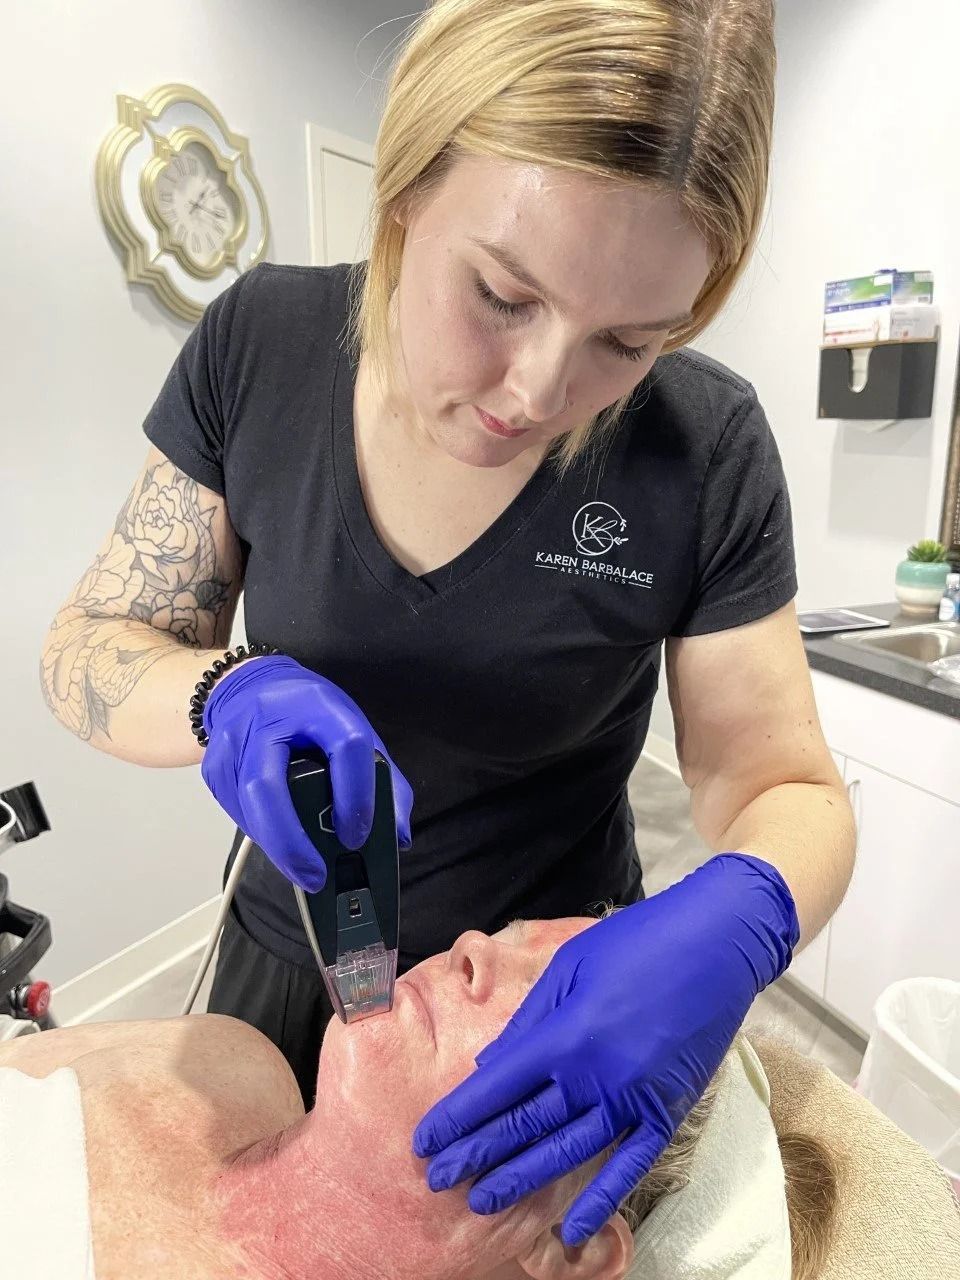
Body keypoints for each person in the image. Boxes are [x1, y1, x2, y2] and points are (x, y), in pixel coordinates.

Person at [40, 0, 856, 1247]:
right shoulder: (259, 346)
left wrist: (745, 913)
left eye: (628, 343)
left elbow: (781, 779)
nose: (539, 394)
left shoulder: (706, 447)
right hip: (299, 948)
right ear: (408, 187)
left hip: (542, 1022)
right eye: (502, 293)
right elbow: (92, 640)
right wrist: (223, 697)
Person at [0, 915, 837, 1279]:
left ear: (569, 1248)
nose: (472, 944)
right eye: (509, 934)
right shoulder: (223, 1058)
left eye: (554, 1002)